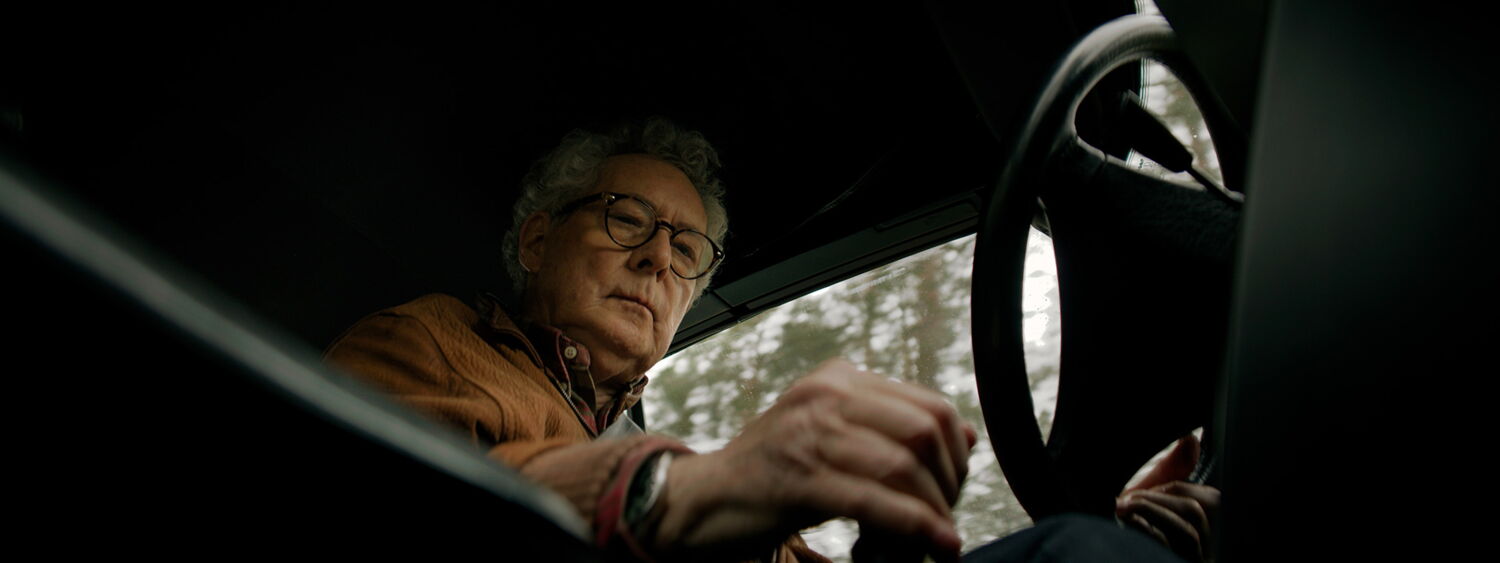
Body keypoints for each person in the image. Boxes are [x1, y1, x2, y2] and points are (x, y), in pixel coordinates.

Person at [324, 117, 1216, 562]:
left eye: (686, 247)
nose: (657, 260)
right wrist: (664, 492)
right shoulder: (430, 341)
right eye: (626, 217)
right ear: (534, 240)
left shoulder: (656, 437)